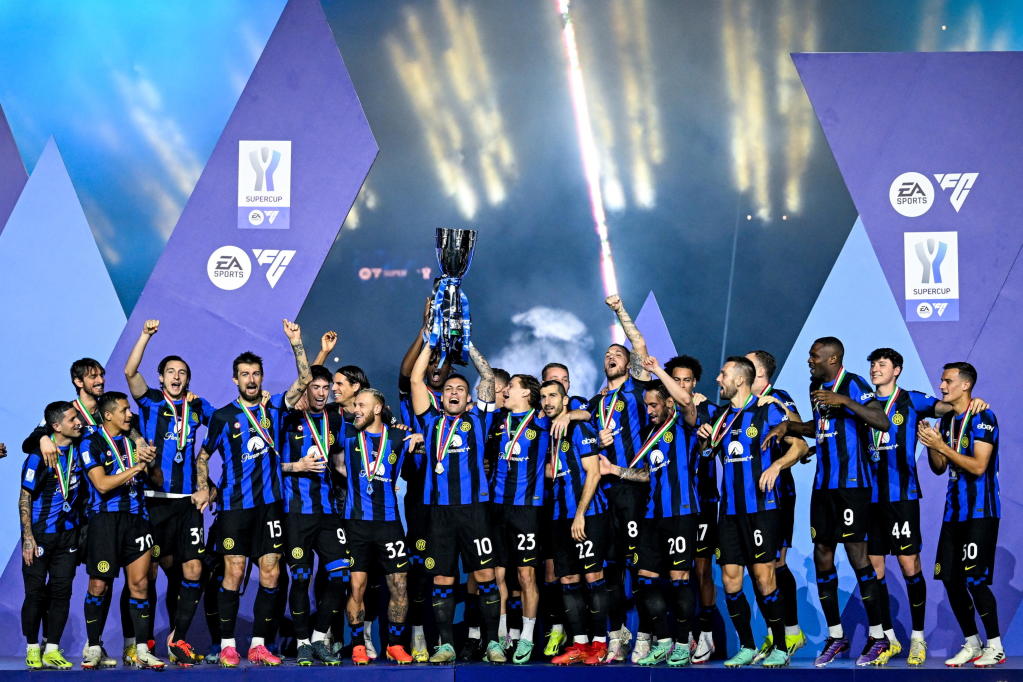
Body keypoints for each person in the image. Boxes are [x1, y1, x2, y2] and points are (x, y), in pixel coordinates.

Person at [765, 337, 893, 667]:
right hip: (823, 486)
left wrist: (844, 400)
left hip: (852, 486)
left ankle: (878, 636)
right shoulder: (815, 387)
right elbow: (819, 426)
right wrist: (789, 426)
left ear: (832, 358)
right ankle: (836, 635)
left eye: (814, 356)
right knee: (822, 554)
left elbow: (881, 421)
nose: (809, 360)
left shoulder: (854, 384)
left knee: (857, 556)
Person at [193, 319, 311, 667]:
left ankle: (259, 644)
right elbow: (203, 457)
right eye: (245, 374)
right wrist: (204, 488)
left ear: (261, 377)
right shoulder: (223, 417)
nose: (251, 379)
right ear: (235, 380)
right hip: (235, 508)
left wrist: (296, 342)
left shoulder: (274, 409)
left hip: (270, 507)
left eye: (256, 373)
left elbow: (305, 380)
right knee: (233, 572)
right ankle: (227, 645)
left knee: (271, 573)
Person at [699, 357, 807, 668]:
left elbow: (799, 446)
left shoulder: (766, 410)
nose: (718, 379)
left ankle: (780, 645)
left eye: (723, 374)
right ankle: (746, 645)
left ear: (740, 380)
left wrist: (777, 465)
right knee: (731, 580)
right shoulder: (720, 417)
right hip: (729, 512)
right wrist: (705, 440)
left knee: (764, 578)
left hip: (762, 509)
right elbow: (708, 450)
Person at [123, 319, 215, 665]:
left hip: (186, 503)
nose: (177, 377)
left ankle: (178, 639)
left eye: (182, 373)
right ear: (161, 377)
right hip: (152, 503)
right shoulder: (149, 402)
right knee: (144, 575)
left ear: (188, 380)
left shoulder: (198, 406)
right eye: (171, 372)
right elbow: (130, 372)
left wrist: (206, 486)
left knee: (193, 570)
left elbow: (225, 423)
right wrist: (145, 336)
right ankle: (139, 643)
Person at [598, 358, 697, 667]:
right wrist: (615, 470)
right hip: (652, 515)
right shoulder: (647, 433)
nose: (650, 410)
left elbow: (686, 401)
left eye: (654, 405)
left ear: (668, 403)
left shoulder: (683, 424)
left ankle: (684, 644)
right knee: (646, 577)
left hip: (681, 512)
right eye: (647, 405)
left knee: (679, 578)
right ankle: (664, 641)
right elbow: (645, 474)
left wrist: (656, 371)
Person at [409, 340, 502, 663]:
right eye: (449, 388)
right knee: (442, 579)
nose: (453, 392)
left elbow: (487, 377)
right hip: (439, 514)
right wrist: (430, 342)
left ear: (468, 397)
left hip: (474, 510)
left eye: (460, 389)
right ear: (442, 396)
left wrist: (469, 344)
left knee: (486, 576)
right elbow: (415, 379)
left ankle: (493, 643)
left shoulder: (480, 420)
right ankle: (446, 645)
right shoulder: (430, 422)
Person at [919, 362, 1004, 667]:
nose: (941, 386)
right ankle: (972, 642)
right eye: (942, 381)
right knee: (950, 579)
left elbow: (979, 466)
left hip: (980, 512)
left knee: (975, 580)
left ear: (965, 385)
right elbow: (939, 468)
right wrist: (932, 443)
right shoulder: (946, 421)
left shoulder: (983, 416)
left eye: (947, 381)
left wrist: (942, 446)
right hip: (953, 512)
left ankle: (996, 645)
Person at [587, 295, 652, 662]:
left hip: (633, 490)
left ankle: (645, 634)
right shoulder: (594, 404)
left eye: (618, 354)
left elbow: (639, 343)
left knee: (638, 566)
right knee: (609, 569)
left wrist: (619, 310)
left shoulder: (636, 390)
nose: (611, 356)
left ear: (629, 364)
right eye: (607, 354)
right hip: (602, 495)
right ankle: (616, 634)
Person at [79, 391, 163, 669]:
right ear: (108, 415)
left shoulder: (134, 442)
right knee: (98, 585)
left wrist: (151, 462)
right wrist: (137, 467)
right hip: (105, 520)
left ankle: (141, 650)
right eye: (124, 410)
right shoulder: (90, 442)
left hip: (137, 519)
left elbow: (156, 480)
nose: (130, 414)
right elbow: (102, 484)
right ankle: (93, 647)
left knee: (140, 584)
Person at [337, 388, 417, 664]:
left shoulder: (397, 437)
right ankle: (358, 644)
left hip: (389, 524)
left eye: (362, 405)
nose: (356, 410)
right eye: (355, 405)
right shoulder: (348, 433)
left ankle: (395, 644)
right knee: (357, 586)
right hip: (356, 523)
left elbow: (421, 445)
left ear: (377, 409)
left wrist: (418, 437)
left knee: (400, 585)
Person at [279, 364, 347, 666]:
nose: (321, 393)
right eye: (315, 387)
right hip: (296, 513)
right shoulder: (287, 418)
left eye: (325, 388)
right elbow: (269, 464)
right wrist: (298, 466)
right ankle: (302, 643)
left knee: (340, 575)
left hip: (328, 512)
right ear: (305, 390)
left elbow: (340, 462)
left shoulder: (335, 419)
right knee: (301, 578)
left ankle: (319, 638)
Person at [540, 380, 610, 666]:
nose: (547, 401)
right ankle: (579, 643)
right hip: (559, 516)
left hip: (588, 514)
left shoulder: (579, 428)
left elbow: (593, 473)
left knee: (593, 577)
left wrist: (580, 513)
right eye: (543, 397)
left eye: (553, 396)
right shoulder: (548, 431)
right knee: (568, 579)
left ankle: (600, 643)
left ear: (565, 400)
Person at [745, 349, 807, 660]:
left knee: (775, 564)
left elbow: (801, 435)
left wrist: (779, 407)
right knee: (757, 567)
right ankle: (773, 632)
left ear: (759, 372)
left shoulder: (778, 397)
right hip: (747, 498)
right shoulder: (742, 405)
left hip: (778, 494)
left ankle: (792, 631)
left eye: (746, 364)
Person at [489, 374, 550, 663]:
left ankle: (526, 637)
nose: (505, 390)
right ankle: (501, 636)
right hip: (496, 506)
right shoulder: (497, 421)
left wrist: (571, 414)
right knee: (497, 575)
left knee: (526, 575)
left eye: (511, 386)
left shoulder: (543, 422)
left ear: (526, 393)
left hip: (527, 509)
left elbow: (579, 411)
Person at [663, 353, 719, 662]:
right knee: (673, 572)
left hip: (703, 500)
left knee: (701, 569)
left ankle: (706, 633)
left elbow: (709, 448)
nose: (682, 385)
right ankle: (680, 636)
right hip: (668, 506)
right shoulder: (658, 413)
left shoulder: (707, 409)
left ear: (695, 383)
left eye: (687, 380)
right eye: (677, 380)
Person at [20, 402, 84, 670]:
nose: (78, 422)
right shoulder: (38, 457)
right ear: (56, 426)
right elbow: (24, 497)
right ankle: (33, 648)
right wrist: (28, 538)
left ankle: (52, 650)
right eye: (72, 419)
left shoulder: (80, 449)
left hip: (68, 536)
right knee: (35, 594)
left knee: (61, 592)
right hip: (40, 537)